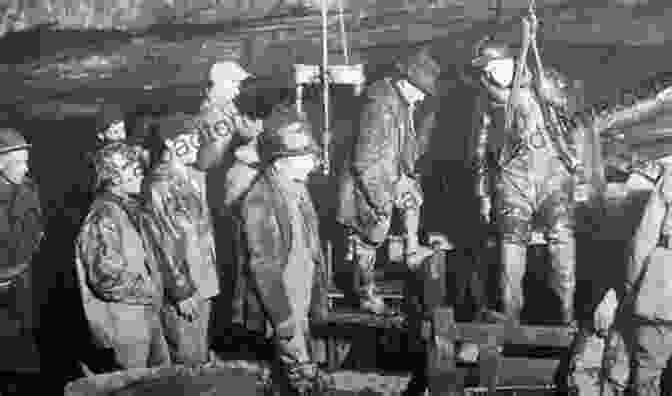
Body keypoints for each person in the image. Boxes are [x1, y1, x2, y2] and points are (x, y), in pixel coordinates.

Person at [470, 35, 578, 324]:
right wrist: (483, 194)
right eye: (486, 70)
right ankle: (511, 314)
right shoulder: (486, 101)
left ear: (511, 62)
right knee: (511, 243)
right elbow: (480, 150)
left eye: (495, 67)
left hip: (553, 176)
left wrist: (553, 94)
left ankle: (566, 312)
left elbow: (573, 112)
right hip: (512, 180)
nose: (490, 74)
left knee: (562, 237)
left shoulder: (545, 80)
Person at [336, 46, 441, 315]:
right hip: (364, 185)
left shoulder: (399, 102)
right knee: (369, 236)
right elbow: (365, 161)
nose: (420, 99)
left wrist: (406, 179)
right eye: (420, 92)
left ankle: (411, 252)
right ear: (405, 81)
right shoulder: (379, 106)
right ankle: (366, 294)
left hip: (387, 174)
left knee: (413, 197)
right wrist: (383, 197)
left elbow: (404, 149)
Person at [234, 108, 330, 394]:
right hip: (282, 305)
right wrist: (284, 321)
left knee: (295, 369)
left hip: (300, 297)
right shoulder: (259, 201)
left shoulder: (297, 188)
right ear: (279, 162)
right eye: (305, 156)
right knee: (298, 373)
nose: (313, 163)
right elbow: (263, 268)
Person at [75, 142, 170, 370]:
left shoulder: (127, 208)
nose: (140, 173)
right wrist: (150, 288)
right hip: (124, 326)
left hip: (143, 316)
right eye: (132, 168)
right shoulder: (103, 217)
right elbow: (105, 277)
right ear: (113, 178)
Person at [143, 115, 219, 365]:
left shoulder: (189, 177)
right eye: (190, 138)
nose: (196, 144)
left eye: (197, 138)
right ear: (169, 142)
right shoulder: (161, 185)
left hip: (201, 281)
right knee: (186, 360)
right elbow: (162, 243)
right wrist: (180, 291)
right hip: (185, 288)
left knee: (198, 354)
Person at [0, 127, 43, 342]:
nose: (26, 169)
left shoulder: (28, 190)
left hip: (23, 278)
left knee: (23, 339)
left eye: (26, 161)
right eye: (18, 162)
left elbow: (36, 231)